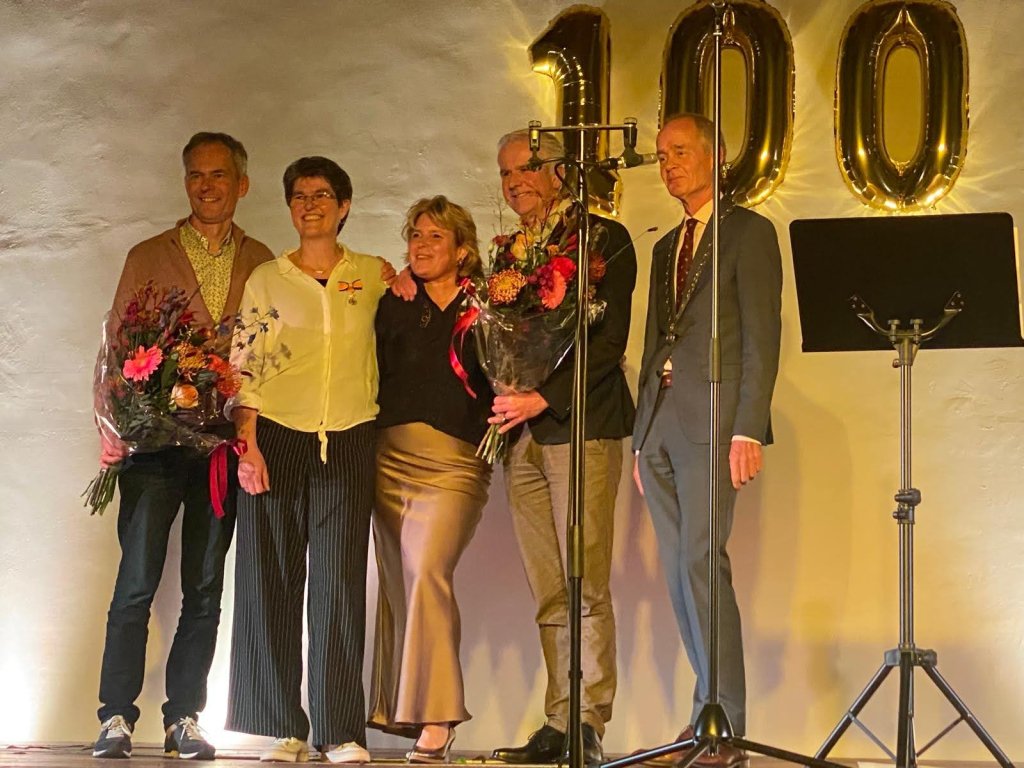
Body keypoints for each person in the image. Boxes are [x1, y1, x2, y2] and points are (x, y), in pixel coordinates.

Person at [92, 132, 274, 760]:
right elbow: (118, 348)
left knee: (203, 587)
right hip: (152, 447)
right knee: (136, 582)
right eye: (196, 175)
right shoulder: (148, 255)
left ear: (241, 185)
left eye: (219, 175)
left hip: (222, 448)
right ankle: (115, 714)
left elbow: (272, 355)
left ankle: (184, 718)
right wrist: (110, 427)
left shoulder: (262, 261)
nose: (206, 186)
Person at [225, 156, 395, 764]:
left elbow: (401, 320)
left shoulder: (372, 274)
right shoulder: (268, 279)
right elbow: (245, 366)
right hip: (278, 435)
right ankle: (281, 727)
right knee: (269, 579)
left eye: (323, 195)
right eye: (299, 196)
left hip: (349, 436)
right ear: (290, 207)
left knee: (339, 584)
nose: (311, 205)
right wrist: (248, 442)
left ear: (345, 206)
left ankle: (339, 729)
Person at [632, 113, 782, 768]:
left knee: (701, 561)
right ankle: (704, 723)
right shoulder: (667, 246)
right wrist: (640, 437)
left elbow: (760, 335)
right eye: (662, 155)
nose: (669, 164)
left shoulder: (748, 232)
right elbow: (651, 342)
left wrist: (749, 424)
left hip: (716, 421)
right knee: (679, 571)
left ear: (717, 155)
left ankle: (726, 728)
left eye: (682, 151)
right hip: (661, 424)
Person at [489, 130, 637, 766]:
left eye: (526, 168)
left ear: (558, 169)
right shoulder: (510, 252)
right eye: (505, 174)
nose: (516, 182)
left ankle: (587, 721)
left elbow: (607, 345)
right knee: (548, 584)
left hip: (579, 425)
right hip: (520, 435)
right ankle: (558, 718)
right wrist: (502, 388)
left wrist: (541, 398)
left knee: (584, 579)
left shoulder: (605, 239)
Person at [368, 195, 494, 763]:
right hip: (388, 457)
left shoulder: (489, 305)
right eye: (415, 234)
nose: (420, 244)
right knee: (400, 583)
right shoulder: (393, 301)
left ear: (462, 251)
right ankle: (404, 712)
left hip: (455, 462)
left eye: (434, 237)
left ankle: (439, 715)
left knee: (426, 572)